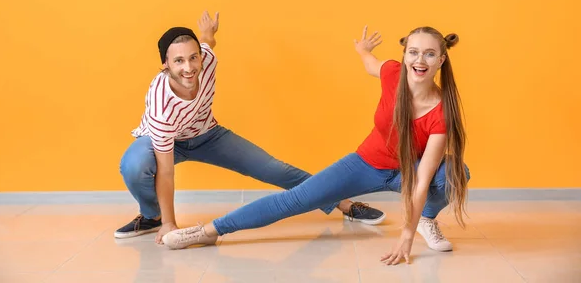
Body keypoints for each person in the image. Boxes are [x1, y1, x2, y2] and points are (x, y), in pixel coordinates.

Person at [162, 25, 471, 265]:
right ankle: (208, 232)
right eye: (413, 52)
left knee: (457, 171)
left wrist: (406, 235)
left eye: (429, 54)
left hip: (408, 172)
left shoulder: (442, 111)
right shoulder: (392, 73)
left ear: (441, 60)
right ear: (404, 56)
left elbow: (423, 180)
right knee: (294, 200)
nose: (419, 60)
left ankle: (426, 220)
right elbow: (369, 64)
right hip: (365, 164)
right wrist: (363, 50)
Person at [115, 12, 385, 243]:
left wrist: (208, 33)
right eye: (178, 61)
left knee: (273, 168)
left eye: (193, 58)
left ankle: (343, 203)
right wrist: (170, 224)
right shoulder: (163, 103)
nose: (189, 68)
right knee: (134, 165)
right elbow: (165, 172)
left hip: (207, 135)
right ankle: (153, 217)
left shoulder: (207, 61)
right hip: (162, 143)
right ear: (165, 65)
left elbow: (208, 43)